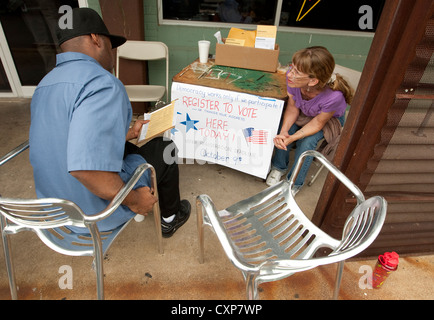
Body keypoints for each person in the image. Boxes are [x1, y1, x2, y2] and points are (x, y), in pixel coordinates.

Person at [29, 7, 190, 237]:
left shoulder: (44, 85)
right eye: (111, 44)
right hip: (93, 212)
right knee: (166, 148)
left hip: (57, 211)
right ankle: (170, 218)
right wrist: (135, 201)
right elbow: (85, 169)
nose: (113, 52)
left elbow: (68, 138)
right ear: (96, 39)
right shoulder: (102, 83)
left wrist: (126, 134)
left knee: (129, 147)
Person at [266, 46, 354, 194]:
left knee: (306, 142)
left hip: (327, 120)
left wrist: (293, 137)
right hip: (304, 110)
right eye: (291, 67)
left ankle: (294, 182)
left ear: (313, 81)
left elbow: (318, 123)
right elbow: (293, 107)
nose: (289, 74)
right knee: (284, 129)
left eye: (296, 72)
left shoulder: (333, 97)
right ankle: (278, 167)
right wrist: (284, 132)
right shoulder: (294, 80)